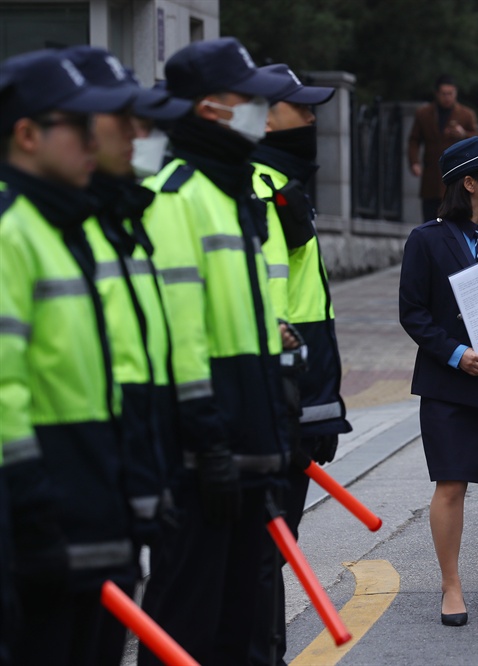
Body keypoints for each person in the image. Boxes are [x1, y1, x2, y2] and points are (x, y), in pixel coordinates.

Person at [136, 38, 292, 664]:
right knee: (188, 627)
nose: (261, 109)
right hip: (206, 459)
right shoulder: (176, 197)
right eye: (247, 98)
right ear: (208, 109)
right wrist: (208, 443)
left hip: (249, 449)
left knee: (241, 630)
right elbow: (180, 336)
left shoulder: (231, 193)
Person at [0, 49, 138, 664]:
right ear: (27, 135)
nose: (96, 140)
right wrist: (33, 512)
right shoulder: (12, 232)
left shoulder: (63, 226)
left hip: (84, 516)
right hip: (37, 532)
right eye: (78, 126)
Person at [64, 45, 190, 553]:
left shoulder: (120, 217)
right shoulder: (24, 228)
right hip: (62, 489)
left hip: (126, 452)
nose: (141, 135)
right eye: (125, 120)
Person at [399, 136, 478, 625]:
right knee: (451, 484)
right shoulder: (425, 240)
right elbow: (412, 312)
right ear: (469, 183)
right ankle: (450, 583)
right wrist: (454, 354)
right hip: (449, 382)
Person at [250, 63, 353, 661]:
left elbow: (306, 309)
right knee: (260, 559)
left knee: (270, 556)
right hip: (272, 405)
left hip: (294, 402)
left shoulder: (284, 184)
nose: (312, 118)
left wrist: (322, 408)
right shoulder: (261, 188)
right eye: (299, 107)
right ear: (262, 115)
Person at [407, 75, 478, 221]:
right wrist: (414, 162)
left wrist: (463, 133)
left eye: (450, 94)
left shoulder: (466, 115)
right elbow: (414, 140)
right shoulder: (424, 113)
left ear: (455, 93)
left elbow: (476, 140)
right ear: (437, 94)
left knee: (454, 217)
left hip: (456, 176)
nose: (447, 98)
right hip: (431, 175)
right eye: (444, 94)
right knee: (430, 217)